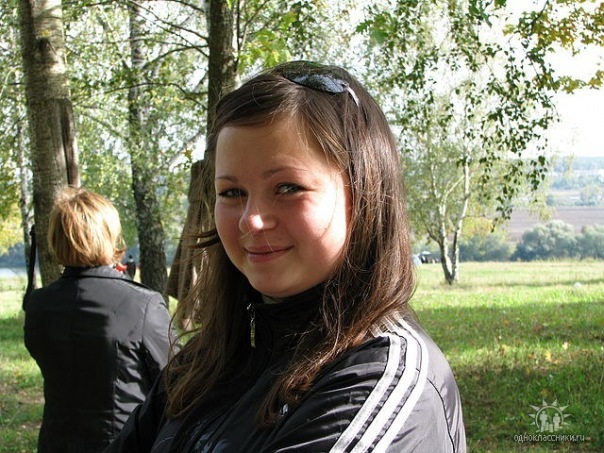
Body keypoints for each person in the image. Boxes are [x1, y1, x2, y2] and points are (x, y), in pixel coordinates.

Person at [106, 60, 466, 452]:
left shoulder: (377, 381)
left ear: (363, 195)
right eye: (232, 192)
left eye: (288, 187)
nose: (251, 220)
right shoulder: (207, 361)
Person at [23, 187, 176, 453]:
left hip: (55, 443)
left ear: (55, 239)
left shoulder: (38, 305)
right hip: (124, 444)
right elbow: (177, 379)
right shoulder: (142, 304)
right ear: (107, 235)